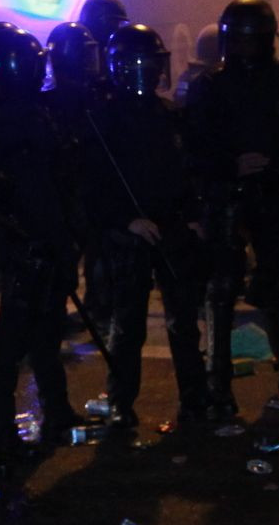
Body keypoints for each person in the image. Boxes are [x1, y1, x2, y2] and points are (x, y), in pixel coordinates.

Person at [187, 0, 279, 410]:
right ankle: (217, 379)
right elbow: (194, 148)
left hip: (275, 194)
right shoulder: (210, 86)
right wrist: (231, 166)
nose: (247, 49)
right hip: (227, 196)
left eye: (254, 40)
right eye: (240, 40)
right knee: (222, 289)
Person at [76, 23, 211, 430]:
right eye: (137, 64)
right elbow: (90, 186)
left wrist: (192, 217)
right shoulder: (102, 120)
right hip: (130, 235)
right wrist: (126, 221)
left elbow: (187, 172)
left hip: (172, 231)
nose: (145, 72)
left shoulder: (169, 115)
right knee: (128, 325)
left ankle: (194, 399)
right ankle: (121, 402)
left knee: (183, 323)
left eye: (151, 64)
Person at [0, 21, 84, 459]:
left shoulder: (31, 111)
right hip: (21, 240)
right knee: (14, 340)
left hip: (43, 235)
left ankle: (55, 412)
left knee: (45, 334)